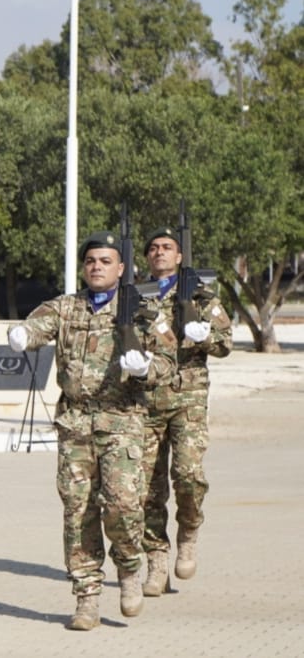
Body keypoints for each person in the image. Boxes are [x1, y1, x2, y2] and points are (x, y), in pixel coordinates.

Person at [8, 230, 176, 631]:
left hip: (123, 420)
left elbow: (170, 361)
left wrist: (146, 368)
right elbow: (37, 326)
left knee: (122, 505)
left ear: (121, 268)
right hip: (77, 423)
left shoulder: (145, 309)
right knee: (78, 511)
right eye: (91, 261)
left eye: (105, 261)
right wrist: (22, 335)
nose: (96, 267)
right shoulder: (67, 307)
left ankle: (131, 566)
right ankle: (86, 598)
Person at [139, 227, 232, 596]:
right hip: (144, 400)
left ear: (179, 256)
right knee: (147, 489)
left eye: (167, 247)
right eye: (153, 248)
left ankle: (189, 530)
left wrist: (204, 335)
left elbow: (225, 344)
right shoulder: (135, 295)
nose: (159, 252)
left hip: (188, 398)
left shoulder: (199, 295)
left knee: (189, 475)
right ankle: (157, 561)